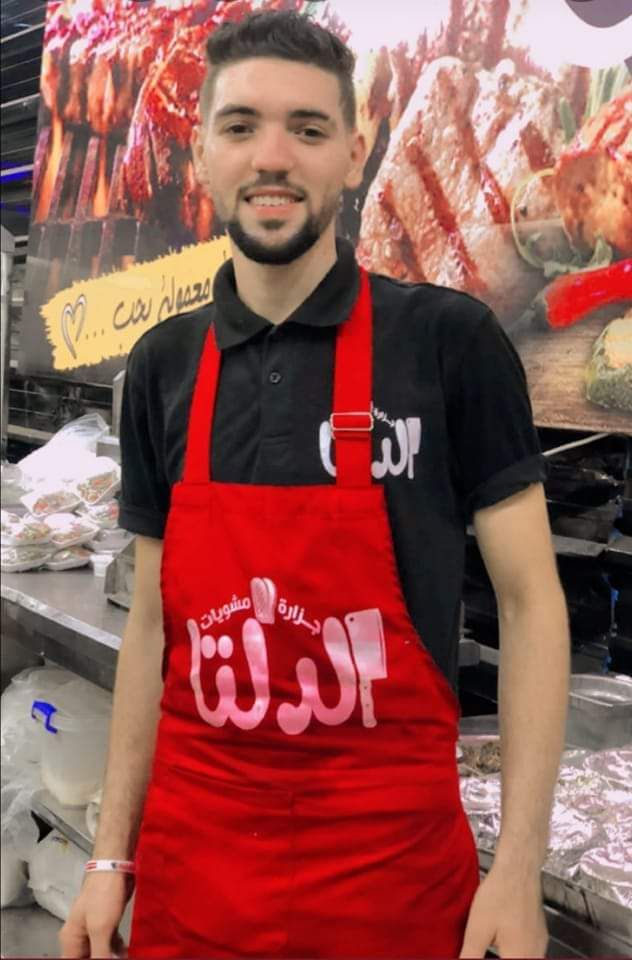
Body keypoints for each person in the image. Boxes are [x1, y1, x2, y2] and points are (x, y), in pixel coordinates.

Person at [60, 10, 570, 959]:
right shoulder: (163, 366)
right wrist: (108, 857)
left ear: (353, 153)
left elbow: (531, 603)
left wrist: (517, 869)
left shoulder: (449, 343)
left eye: (307, 128)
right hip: (196, 881)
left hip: (395, 885)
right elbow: (152, 628)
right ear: (202, 153)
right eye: (241, 125)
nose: (273, 158)